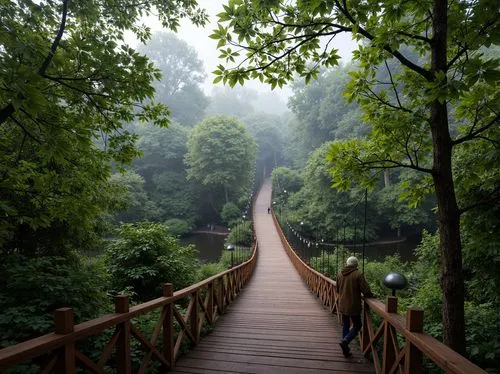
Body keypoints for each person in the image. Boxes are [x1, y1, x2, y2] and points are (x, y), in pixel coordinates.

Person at [336, 256, 373, 358]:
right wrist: (371, 295)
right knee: (357, 325)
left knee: (346, 325)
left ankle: (345, 349)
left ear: (347, 264)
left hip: (343, 305)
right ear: (356, 264)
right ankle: (346, 341)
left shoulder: (340, 274)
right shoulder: (358, 274)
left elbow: (338, 290)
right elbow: (365, 290)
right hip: (354, 306)